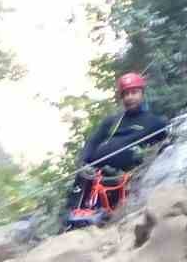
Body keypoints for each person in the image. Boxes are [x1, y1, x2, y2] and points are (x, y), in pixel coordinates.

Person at [65, 72, 170, 214]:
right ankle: (73, 213)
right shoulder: (112, 121)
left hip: (123, 172)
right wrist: (83, 162)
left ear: (142, 93)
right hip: (97, 169)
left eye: (134, 92)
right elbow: (93, 141)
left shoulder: (154, 122)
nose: (130, 97)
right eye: (126, 94)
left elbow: (166, 137)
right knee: (83, 176)